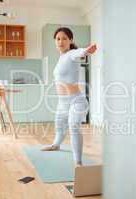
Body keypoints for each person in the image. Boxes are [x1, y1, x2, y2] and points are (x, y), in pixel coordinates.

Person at [42, 27, 97, 166]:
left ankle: (78, 161)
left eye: (64, 38)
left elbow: (79, 53)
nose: (61, 41)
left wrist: (86, 50)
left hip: (77, 101)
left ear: (71, 40)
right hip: (63, 102)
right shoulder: (61, 57)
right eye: (58, 39)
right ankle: (56, 145)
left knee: (73, 126)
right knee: (59, 125)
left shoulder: (71, 54)